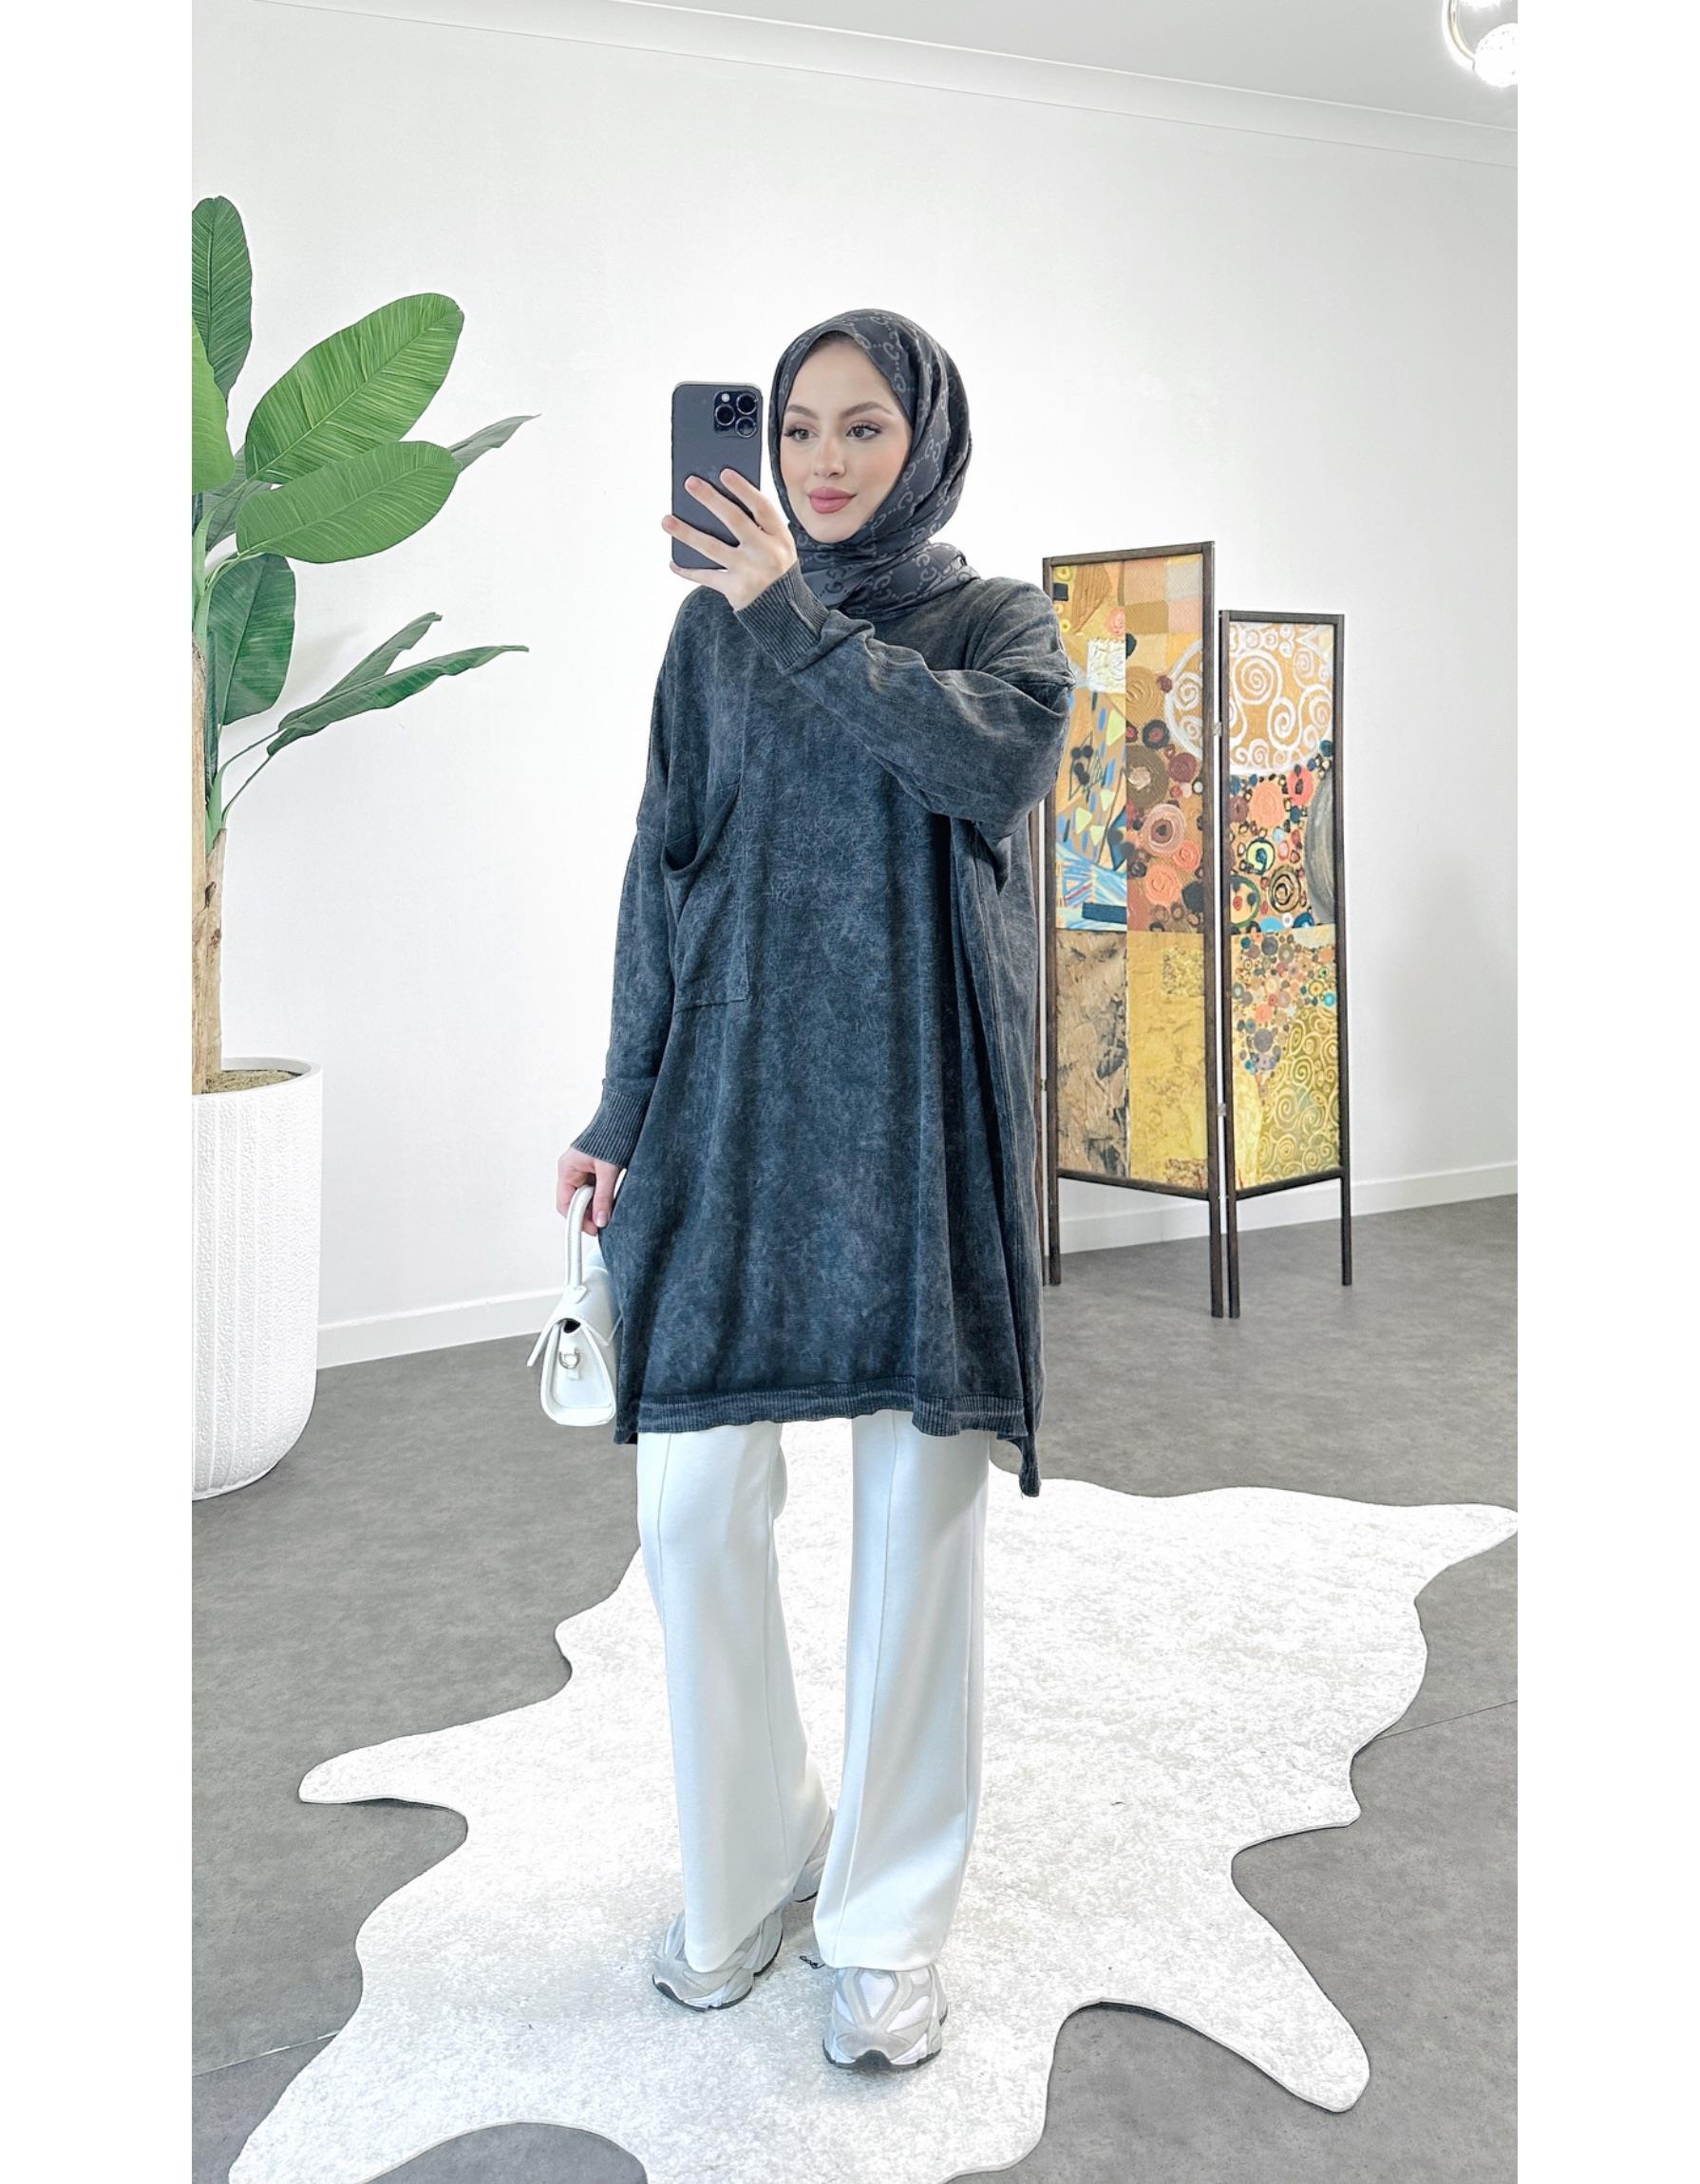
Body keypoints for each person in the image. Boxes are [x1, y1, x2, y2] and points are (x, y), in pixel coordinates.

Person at [556, 308, 1077, 2069]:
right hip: (735, 1106)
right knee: (692, 1509)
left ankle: (886, 1926)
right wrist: (620, 1103)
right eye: (795, 429)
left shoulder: (996, 624)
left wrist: (794, 611)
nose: (824, 462)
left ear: (926, 440)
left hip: (922, 1118)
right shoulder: (711, 637)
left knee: (916, 1527)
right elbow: (663, 870)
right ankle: (755, 1852)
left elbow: (990, 764)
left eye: (863, 428)